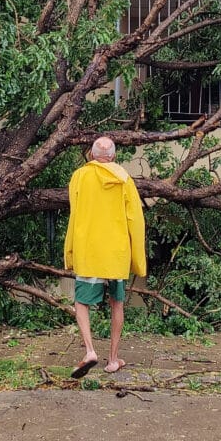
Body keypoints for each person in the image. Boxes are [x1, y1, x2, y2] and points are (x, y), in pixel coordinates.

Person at [64, 136, 147, 378]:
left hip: (89, 250)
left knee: (81, 302)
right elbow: (135, 220)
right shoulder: (124, 178)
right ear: (113, 156)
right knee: (117, 303)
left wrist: (69, 250)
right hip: (116, 252)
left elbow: (75, 213)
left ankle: (90, 351)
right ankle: (112, 360)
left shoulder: (80, 176)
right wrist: (137, 259)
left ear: (91, 155)